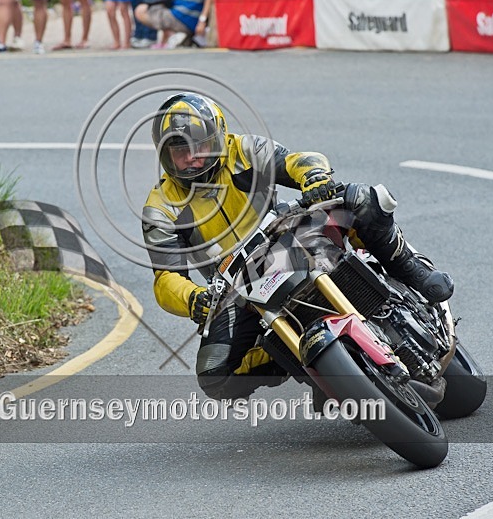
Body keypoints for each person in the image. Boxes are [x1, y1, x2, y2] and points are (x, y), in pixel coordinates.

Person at [141, 93, 454, 401]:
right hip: (238, 289)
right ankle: (309, 361)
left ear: (219, 139)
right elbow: (166, 278)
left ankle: (410, 268)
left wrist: (314, 177)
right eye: (179, 151)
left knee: (360, 199)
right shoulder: (161, 207)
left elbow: (296, 161)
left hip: (290, 238)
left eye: (200, 147)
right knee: (215, 375)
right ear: (164, 155)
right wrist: (193, 299)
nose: (191, 158)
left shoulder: (244, 151)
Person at [134, 0, 212, 49]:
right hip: (179, 12)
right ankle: (167, 40)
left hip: (185, 16)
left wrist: (202, 21)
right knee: (158, 5)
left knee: (141, 10)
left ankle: (168, 37)